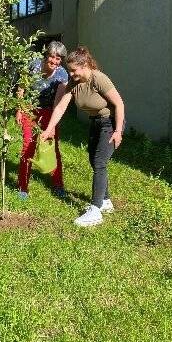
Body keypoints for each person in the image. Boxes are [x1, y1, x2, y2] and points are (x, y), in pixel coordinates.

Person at [41, 46, 125, 226]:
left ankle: (95, 210)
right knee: (94, 160)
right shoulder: (74, 83)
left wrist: (118, 131)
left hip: (110, 122)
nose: (70, 74)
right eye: (69, 70)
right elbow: (61, 107)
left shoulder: (99, 79)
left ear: (85, 64)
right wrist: (49, 129)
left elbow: (119, 104)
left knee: (100, 162)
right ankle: (106, 201)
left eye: (73, 70)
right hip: (96, 122)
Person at [16, 41, 68, 199]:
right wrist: (19, 109)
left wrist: (51, 126)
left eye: (58, 58)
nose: (54, 61)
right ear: (47, 55)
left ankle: (58, 184)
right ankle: (23, 186)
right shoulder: (34, 66)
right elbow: (21, 88)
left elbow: (58, 102)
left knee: (53, 147)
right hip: (29, 109)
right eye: (52, 56)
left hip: (49, 112)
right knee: (28, 145)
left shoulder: (62, 75)